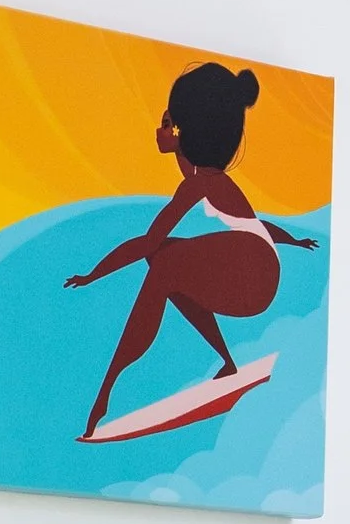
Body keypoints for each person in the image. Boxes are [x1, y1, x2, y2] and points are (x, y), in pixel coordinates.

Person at [65, 60, 320, 440]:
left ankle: (106, 392)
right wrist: (293, 241)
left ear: (188, 133)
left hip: (255, 276)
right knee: (166, 257)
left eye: (170, 123)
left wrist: (93, 275)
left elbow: (147, 241)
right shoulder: (208, 179)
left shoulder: (201, 186)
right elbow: (254, 224)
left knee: (163, 260)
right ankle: (228, 362)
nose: (161, 129)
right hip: (258, 267)